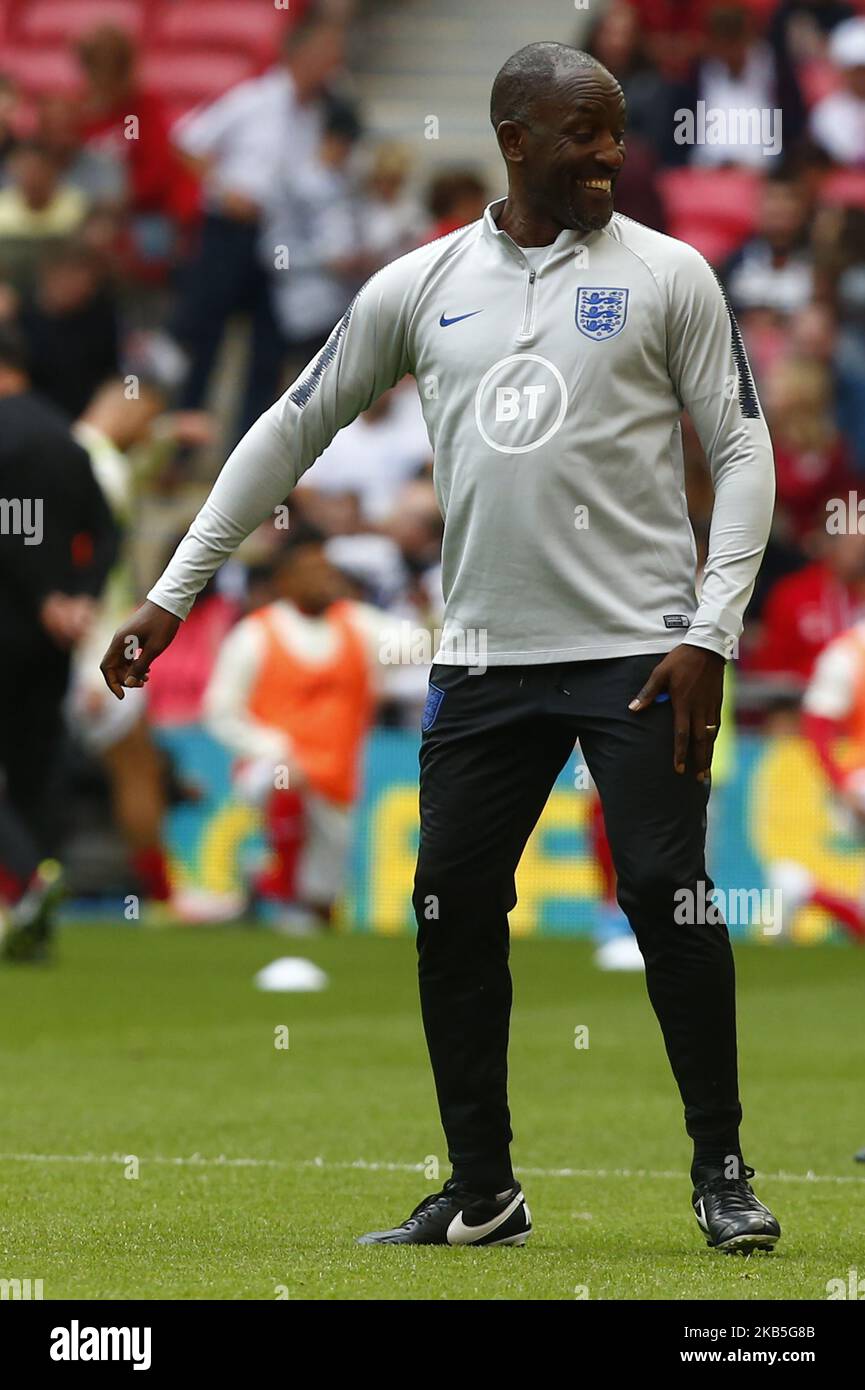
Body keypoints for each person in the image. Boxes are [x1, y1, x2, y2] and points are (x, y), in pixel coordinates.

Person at [101, 42, 779, 1253]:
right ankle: (482, 1187)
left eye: (619, 131)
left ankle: (720, 1169)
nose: (611, 155)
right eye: (587, 134)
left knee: (669, 902)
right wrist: (170, 592)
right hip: (481, 658)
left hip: (640, 650)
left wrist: (712, 628)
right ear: (517, 139)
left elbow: (741, 453)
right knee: (449, 907)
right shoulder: (421, 283)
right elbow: (289, 428)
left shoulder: (673, 275)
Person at [203, 525, 413, 931]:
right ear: (286, 579)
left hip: (336, 780)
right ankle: (278, 884)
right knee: (287, 784)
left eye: (327, 569)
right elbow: (220, 711)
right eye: (310, 569)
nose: (323, 579)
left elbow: (419, 645)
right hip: (274, 772)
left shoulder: (359, 626)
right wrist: (275, 749)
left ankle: (266, 884)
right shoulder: (256, 634)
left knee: (320, 906)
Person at [169, 10, 347, 439]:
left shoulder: (324, 115)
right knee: (205, 340)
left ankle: (246, 451)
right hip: (231, 232)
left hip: (281, 239)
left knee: (268, 349)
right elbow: (189, 140)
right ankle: (181, 445)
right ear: (298, 54)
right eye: (323, 52)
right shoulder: (254, 100)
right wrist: (224, 188)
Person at [0, 326, 117, 960]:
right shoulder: (65, 440)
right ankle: (35, 921)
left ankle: (27, 882)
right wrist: (81, 597)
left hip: (12, 620)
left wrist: (44, 594)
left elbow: (9, 527)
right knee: (34, 768)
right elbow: (107, 532)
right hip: (55, 640)